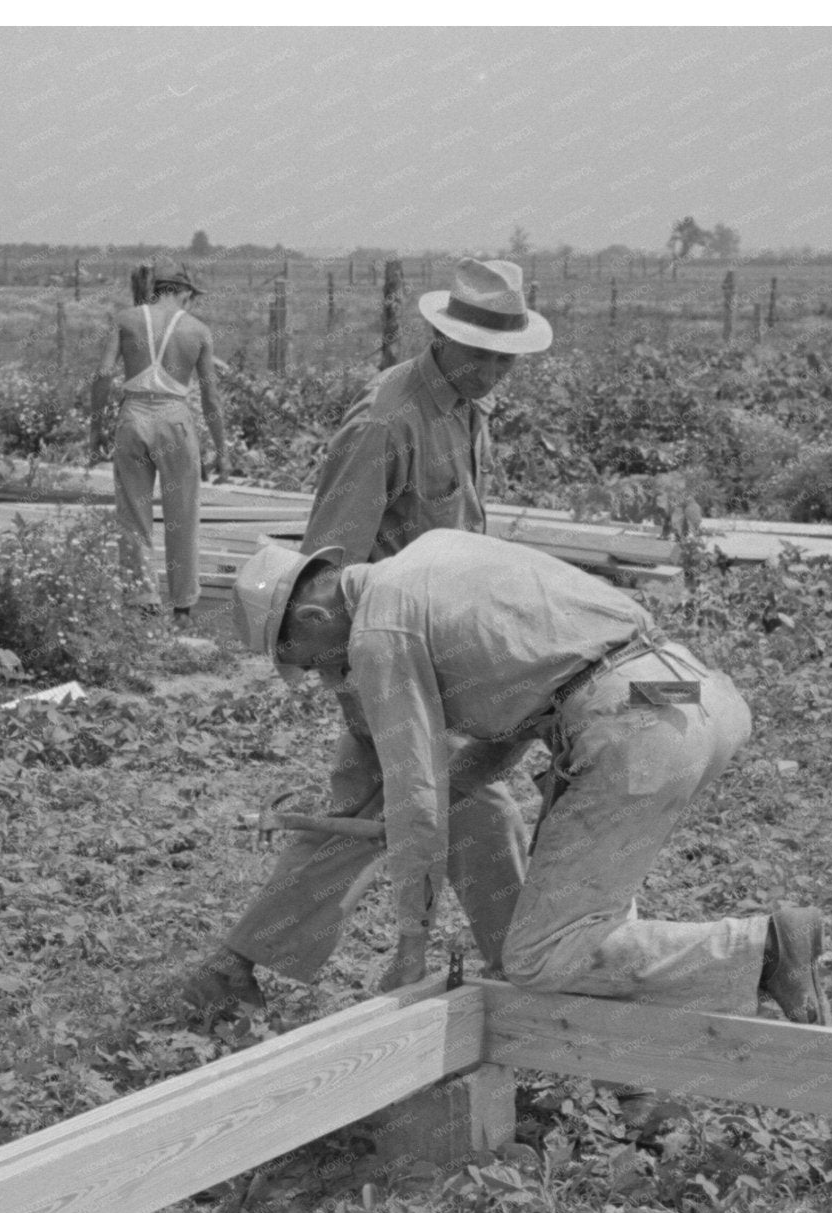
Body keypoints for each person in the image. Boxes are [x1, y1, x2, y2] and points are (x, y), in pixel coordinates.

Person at [218, 530, 830, 1022]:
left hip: (631, 728)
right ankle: (634, 1081)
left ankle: (764, 947)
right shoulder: (437, 551)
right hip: (688, 693)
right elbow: (523, 708)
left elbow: (419, 798)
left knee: (539, 956)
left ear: (314, 614)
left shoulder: (379, 630)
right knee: (595, 924)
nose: (327, 677)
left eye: (307, 660)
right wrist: (440, 795)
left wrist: (411, 948)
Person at [177, 258, 552, 1011]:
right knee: (479, 807)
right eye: (478, 353)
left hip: (442, 655)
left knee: (362, 820)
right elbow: (329, 573)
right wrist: (359, 687)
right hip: (385, 657)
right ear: (439, 337)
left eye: (503, 357)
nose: (491, 370)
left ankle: (233, 966)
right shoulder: (387, 420)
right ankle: (532, 978)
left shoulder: (466, 410)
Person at [89, 255, 229, 623]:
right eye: (190, 298)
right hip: (175, 421)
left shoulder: (125, 320)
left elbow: (103, 374)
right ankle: (182, 606)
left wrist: (96, 428)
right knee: (182, 515)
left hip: (132, 418)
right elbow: (211, 397)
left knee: (133, 515)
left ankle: (141, 600)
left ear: (155, 290)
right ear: (182, 293)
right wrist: (222, 450)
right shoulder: (198, 330)